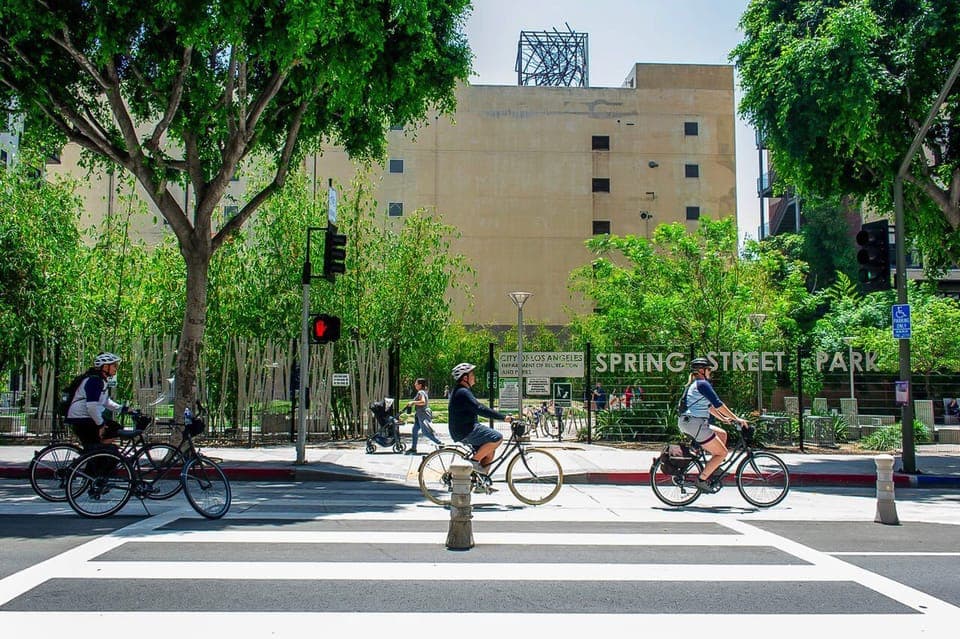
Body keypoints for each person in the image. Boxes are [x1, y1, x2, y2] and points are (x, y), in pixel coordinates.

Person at [677, 357, 749, 492]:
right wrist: (737, 418)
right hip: (694, 423)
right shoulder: (702, 384)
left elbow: (709, 407)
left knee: (722, 434)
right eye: (708, 369)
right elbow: (718, 403)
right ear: (701, 370)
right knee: (722, 453)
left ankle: (713, 468)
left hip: (692, 422)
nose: (710, 372)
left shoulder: (697, 384)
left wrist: (723, 419)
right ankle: (702, 479)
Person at [447, 363, 511, 478]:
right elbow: (479, 408)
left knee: (489, 452)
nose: (474, 377)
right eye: (472, 374)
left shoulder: (462, 391)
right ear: (465, 378)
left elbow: (477, 407)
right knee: (497, 438)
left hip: (466, 428)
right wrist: (503, 417)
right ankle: (473, 462)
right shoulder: (462, 392)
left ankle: (481, 481)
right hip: (466, 430)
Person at [64, 352, 128, 450]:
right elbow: (92, 407)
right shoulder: (94, 381)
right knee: (112, 430)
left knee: (114, 428)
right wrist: (101, 425)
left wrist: (123, 409)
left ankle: (101, 452)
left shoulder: (101, 380)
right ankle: (99, 455)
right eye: (114, 366)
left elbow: (106, 402)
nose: (116, 368)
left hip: (86, 417)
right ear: (105, 367)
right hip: (82, 418)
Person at [404, 378, 442, 455]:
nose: (415, 384)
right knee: (415, 430)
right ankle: (413, 448)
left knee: (425, 432)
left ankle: (440, 444)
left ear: (420, 385)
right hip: (419, 415)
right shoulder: (422, 391)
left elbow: (423, 402)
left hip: (423, 414)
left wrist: (413, 402)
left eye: (416, 383)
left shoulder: (421, 392)